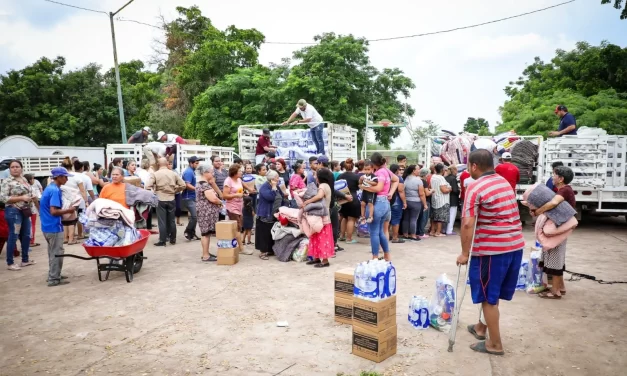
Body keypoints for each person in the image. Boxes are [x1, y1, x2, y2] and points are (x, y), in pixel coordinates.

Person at [457, 149, 525, 356]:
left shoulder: (475, 187)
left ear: (474, 166)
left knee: (488, 298)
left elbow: (467, 223)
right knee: (492, 294)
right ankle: (480, 328)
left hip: (492, 251)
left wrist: (464, 253)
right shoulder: (503, 182)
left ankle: (495, 344)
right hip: (514, 245)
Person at [532, 166, 576, 299]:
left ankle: (555, 291)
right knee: (556, 258)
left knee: (555, 259)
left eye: (554, 174)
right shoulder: (563, 190)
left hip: (558, 229)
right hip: (560, 229)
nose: (552, 177)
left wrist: (538, 211)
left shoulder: (564, 191)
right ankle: (560, 287)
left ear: (561, 179)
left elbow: (553, 203)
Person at [40, 167, 78, 286]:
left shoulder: (49, 188)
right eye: (65, 177)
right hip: (53, 226)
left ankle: (54, 274)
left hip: (47, 226)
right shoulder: (55, 190)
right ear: (59, 177)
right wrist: (69, 210)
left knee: (52, 252)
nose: (67, 179)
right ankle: (54, 278)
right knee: (57, 252)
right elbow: (54, 211)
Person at [362, 153, 398, 261]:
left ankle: (375, 257)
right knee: (380, 231)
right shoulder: (386, 170)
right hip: (385, 203)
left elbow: (378, 188)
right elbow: (396, 179)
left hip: (377, 203)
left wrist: (363, 186)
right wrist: (390, 192)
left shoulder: (380, 172)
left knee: (374, 232)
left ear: (373, 164)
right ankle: (387, 255)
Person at [0, 160, 36, 270]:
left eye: (17, 166)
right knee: (13, 235)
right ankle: (10, 262)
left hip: (25, 210)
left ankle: (25, 260)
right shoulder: (6, 181)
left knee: (26, 235)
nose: (15, 168)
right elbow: (3, 198)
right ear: (9, 169)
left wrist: (31, 196)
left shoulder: (24, 179)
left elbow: (27, 192)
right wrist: (21, 198)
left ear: (21, 168)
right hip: (13, 211)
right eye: (12, 167)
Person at [146, 158, 186, 247]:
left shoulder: (155, 174)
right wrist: (175, 190)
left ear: (158, 164)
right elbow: (183, 185)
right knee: (172, 220)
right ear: (167, 163)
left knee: (162, 221)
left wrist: (154, 191)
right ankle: (173, 239)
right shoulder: (173, 173)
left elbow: (147, 185)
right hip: (171, 198)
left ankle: (162, 240)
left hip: (160, 199)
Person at [303, 168, 335, 267]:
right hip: (322, 216)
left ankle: (325, 261)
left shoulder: (322, 185)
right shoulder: (326, 185)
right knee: (316, 236)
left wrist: (307, 202)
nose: (315, 176)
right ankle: (317, 257)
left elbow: (319, 196)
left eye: (316, 175)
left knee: (322, 238)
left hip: (322, 217)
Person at [196, 164, 223, 262]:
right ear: (205, 173)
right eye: (211, 172)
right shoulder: (204, 185)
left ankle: (206, 253)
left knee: (206, 233)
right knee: (206, 234)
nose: (213, 174)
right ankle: (206, 255)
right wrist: (220, 202)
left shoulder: (204, 183)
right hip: (206, 213)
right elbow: (213, 199)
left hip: (205, 212)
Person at [223, 163, 250, 255]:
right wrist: (236, 195)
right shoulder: (228, 181)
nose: (242, 172)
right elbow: (225, 195)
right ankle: (241, 248)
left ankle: (237, 245)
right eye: (240, 171)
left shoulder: (238, 179)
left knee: (239, 226)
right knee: (237, 227)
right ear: (234, 172)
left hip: (239, 206)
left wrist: (247, 191)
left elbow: (242, 185)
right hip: (232, 207)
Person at [256, 170, 281, 260]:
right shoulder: (264, 187)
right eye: (277, 177)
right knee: (264, 233)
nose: (278, 179)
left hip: (273, 212)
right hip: (265, 213)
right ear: (273, 179)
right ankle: (263, 252)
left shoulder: (276, 186)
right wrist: (274, 188)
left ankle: (270, 249)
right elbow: (270, 197)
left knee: (271, 232)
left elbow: (280, 195)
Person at [402, 165, 428, 241]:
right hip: (416, 202)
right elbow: (421, 194)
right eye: (418, 169)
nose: (419, 170)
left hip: (407, 201)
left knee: (406, 219)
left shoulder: (406, 178)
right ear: (413, 171)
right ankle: (413, 235)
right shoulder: (418, 180)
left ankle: (405, 234)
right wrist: (425, 204)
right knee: (414, 219)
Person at [338, 158, 361, 244]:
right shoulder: (356, 176)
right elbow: (359, 187)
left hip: (343, 198)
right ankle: (349, 238)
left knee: (344, 217)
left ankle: (342, 236)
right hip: (353, 198)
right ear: (353, 166)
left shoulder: (340, 176)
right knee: (351, 219)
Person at [181, 156, 201, 241]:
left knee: (194, 216)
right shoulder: (188, 172)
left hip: (192, 197)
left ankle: (191, 233)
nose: (197, 165)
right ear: (191, 163)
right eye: (196, 163)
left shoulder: (192, 171)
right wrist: (198, 189)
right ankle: (188, 231)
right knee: (194, 216)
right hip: (188, 197)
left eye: (198, 163)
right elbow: (187, 185)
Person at [429, 164, 452, 237]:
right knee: (440, 218)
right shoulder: (441, 178)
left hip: (435, 199)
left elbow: (430, 186)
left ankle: (432, 231)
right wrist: (450, 189)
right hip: (442, 200)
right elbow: (444, 190)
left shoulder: (433, 177)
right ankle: (438, 232)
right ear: (442, 170)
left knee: (434, 217)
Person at [389, 164, 407, 244]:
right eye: (399, 170)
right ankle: (395, 237)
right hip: (396, 201)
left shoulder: (387, 177)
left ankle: (386, 234)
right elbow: (401, 191)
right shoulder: (399, 178)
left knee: (387, 219)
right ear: (397, 170)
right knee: (396, 219)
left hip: (387, 200)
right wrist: (404, 202)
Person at [24, 174, 42, 248]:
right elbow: (35, 200)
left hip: (23, 210)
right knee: (32, 225)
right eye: (32, 179)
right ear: (30, 180)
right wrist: (39, 209)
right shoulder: (31, 188)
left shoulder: (22, 187)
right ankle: (31, 241)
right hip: (31, 210)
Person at [445, 165, 460, 235]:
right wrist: (459, 191)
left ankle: (444, 229)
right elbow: (455, 190)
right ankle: (449, 230)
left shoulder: (446, 178)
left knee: (447, 214)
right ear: (454, 170)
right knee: (452, 215)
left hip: (446, 198)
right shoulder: (453, 179)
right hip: (453, 199)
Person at [417, 168, 432, 239]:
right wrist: (432, 191)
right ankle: (421, 232)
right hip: (425, 201)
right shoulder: (424, 182)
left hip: (418, 201)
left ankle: (417, 231)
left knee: (419, 218)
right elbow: (427, 193)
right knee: (424, 218)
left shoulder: (417, 180)